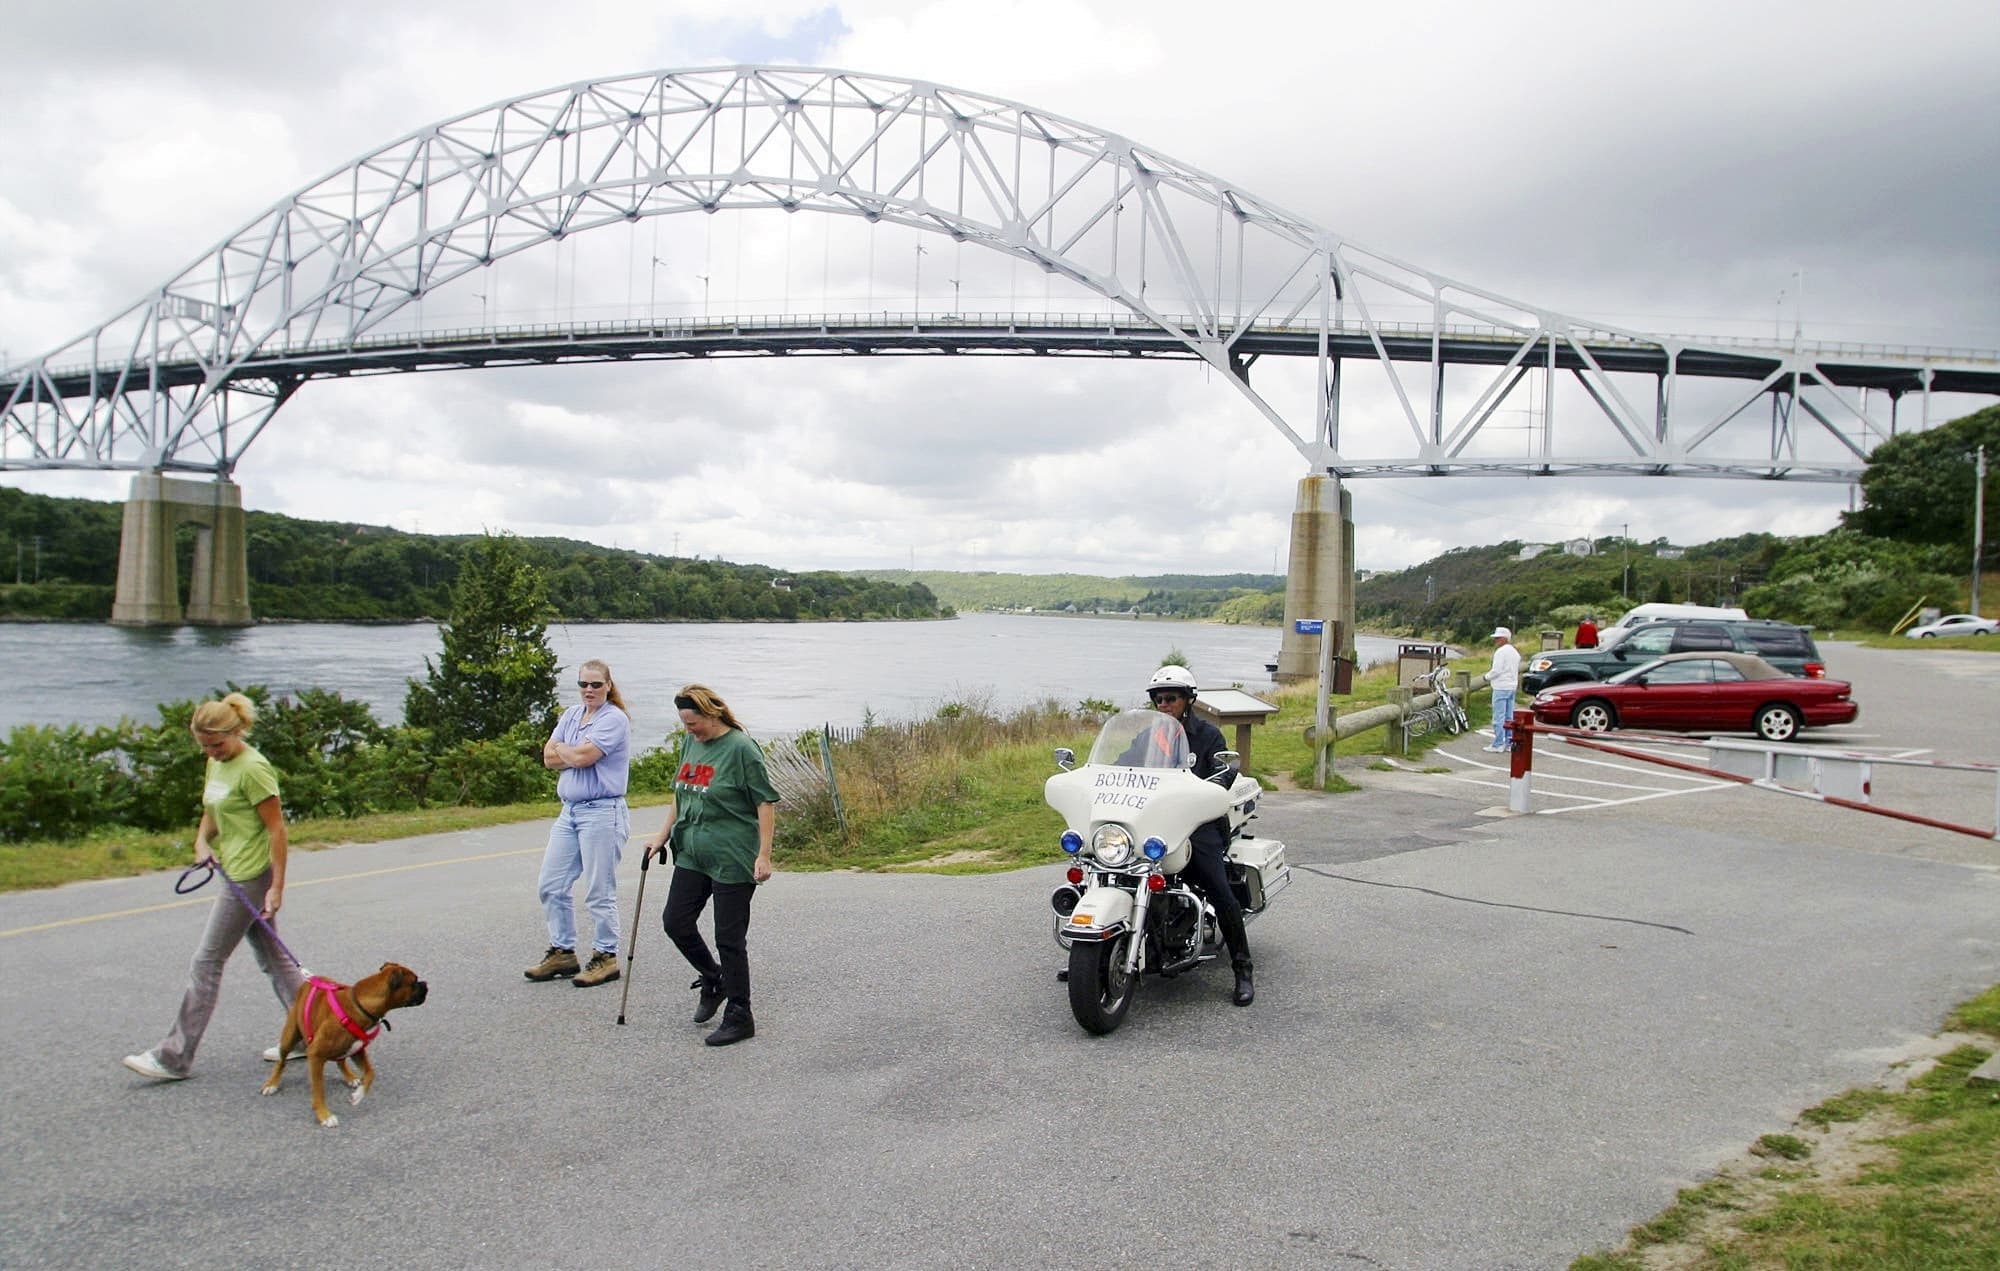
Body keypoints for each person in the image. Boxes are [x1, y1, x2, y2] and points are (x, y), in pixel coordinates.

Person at [122, 692, 308, 1081]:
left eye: (218, 744)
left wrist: (277, 887)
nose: (213, 752)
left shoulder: (254, 769)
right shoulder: (216, 762)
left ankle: (173, 1057)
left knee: (206, 962)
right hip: (233, 868)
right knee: (275, 959)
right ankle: (312, 1034)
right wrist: (202, 841)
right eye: (205, 746)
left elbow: (277, 830)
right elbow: (212, 807)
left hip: (251, 875)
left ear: (237, 731)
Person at [643, 684, 778, 1046]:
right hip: (692, 852)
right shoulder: (692, 742)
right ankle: (713, 978)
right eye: (685, 725)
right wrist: (662, 835)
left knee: (729, 938)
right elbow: (681, 792)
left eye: (694, 724)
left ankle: (740, 1015)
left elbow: (765, 802)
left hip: (733, 857)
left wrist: (763, 854)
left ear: (711, 713)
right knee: (676, 922)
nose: (690, 730)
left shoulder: (741, 748)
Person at [1141, 665, 1254, 1007]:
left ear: (1188, 700)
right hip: (1154, 824)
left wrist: (1215, 786)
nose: (1164, 704)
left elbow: (1223, 774)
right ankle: (1096, 951)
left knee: (1220, 892)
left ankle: (1242, 969)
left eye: (1171, 698)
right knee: (1109, 874)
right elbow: (1118, 766)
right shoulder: (1147, 736)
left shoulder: (1208, 736)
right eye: (1159, 699)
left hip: (1198, 826)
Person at [525, 659, 631, 988]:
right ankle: (562, 950)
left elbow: (584, 758)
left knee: (599, 889)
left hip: (602, 811)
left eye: (596, 685)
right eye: (583, 684)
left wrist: (566, 751)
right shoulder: (571, 714)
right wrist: (571, 752)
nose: (589, 690)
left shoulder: (614, 719)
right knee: (551, 884)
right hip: (569, 811)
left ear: (608, 686)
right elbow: (548, 758)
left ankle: (606, 955)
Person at [1481, 627, 1523, 752]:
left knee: (1498, 716)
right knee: (1509, 716)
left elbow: (1496, 670)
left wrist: (1486, 677)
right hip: (1512, 686)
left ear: (1505, 638)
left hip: (1500, 686)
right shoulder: (1515, 652)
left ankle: (1498, 743)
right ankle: (1509, 741)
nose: (1496, 640)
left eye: (1498, 638)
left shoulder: (1500, 652)